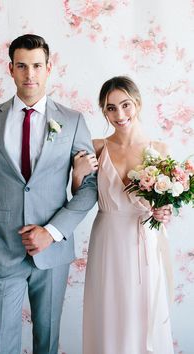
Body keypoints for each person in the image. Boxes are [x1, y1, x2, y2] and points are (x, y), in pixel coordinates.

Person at [0, 34, 97, 354]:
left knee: (47, 343)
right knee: (3, 343)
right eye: (22, 66)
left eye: (37, 65)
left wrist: (51, 233)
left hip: (53, 253)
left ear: (49, 68)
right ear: (10, 69)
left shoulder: (72, 120)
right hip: (3, 247)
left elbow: (89, 189)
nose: (30, 74)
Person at [72, 76, 174, 354]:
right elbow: (78, 195)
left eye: (125, 105)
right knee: (109, 309)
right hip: (108, 239)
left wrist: (164, 212)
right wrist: (78, 175)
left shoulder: (160, 151)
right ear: (103, 111)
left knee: (143, 310)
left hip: (145, 240)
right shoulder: (97, 147)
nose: (119, 114)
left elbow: (166, 204)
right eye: (111, 108)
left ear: (137, 103)